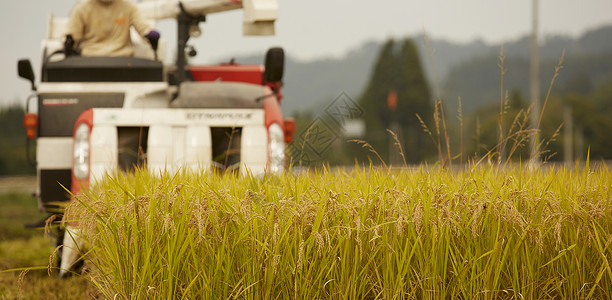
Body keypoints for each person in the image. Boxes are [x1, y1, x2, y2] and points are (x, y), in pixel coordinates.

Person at [65, 0, 160, 57]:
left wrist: (149, 33)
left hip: (122, 59)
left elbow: (142, 26)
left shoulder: (128, 7)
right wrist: (68, 43)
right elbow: (72, 33)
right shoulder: (82, 10)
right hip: (91, 58)